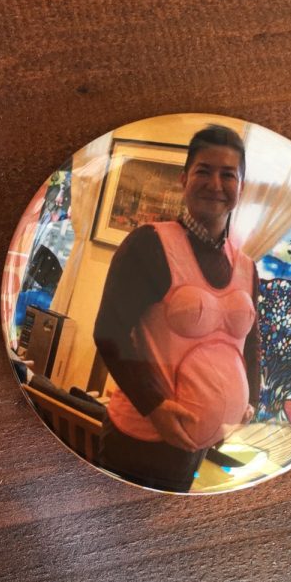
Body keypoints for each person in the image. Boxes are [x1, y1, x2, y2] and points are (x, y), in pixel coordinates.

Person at [93, 124, 261, 493]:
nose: (215, 184)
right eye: (204, 171)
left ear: (241, 187)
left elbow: (250, 343)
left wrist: (251, 401)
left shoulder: (248, 268)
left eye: (228, 174)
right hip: (137, 442)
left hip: (195, 450)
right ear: (184, 179)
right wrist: (154, 406)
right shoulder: (149, 245)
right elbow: (109, 333)